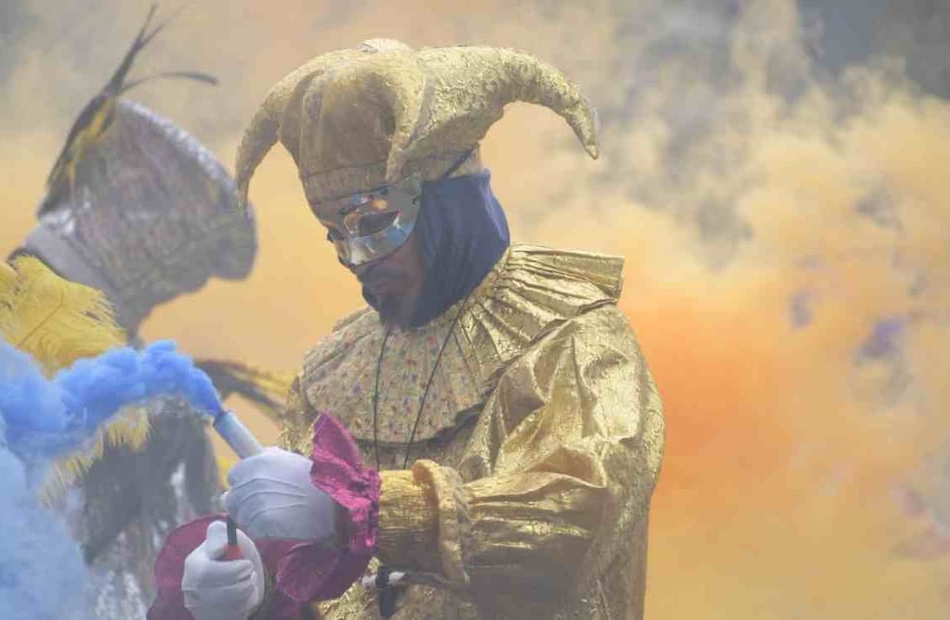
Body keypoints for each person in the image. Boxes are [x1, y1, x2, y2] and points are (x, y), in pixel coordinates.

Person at [148, 39, 665, 619]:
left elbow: (572, 521)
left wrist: (360, 510)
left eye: (374, 222)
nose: (355, 257)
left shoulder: (574, 341)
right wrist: (249, 584)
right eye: (334, 234)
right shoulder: (333, 374)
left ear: (450, 201)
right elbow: (315, 577)